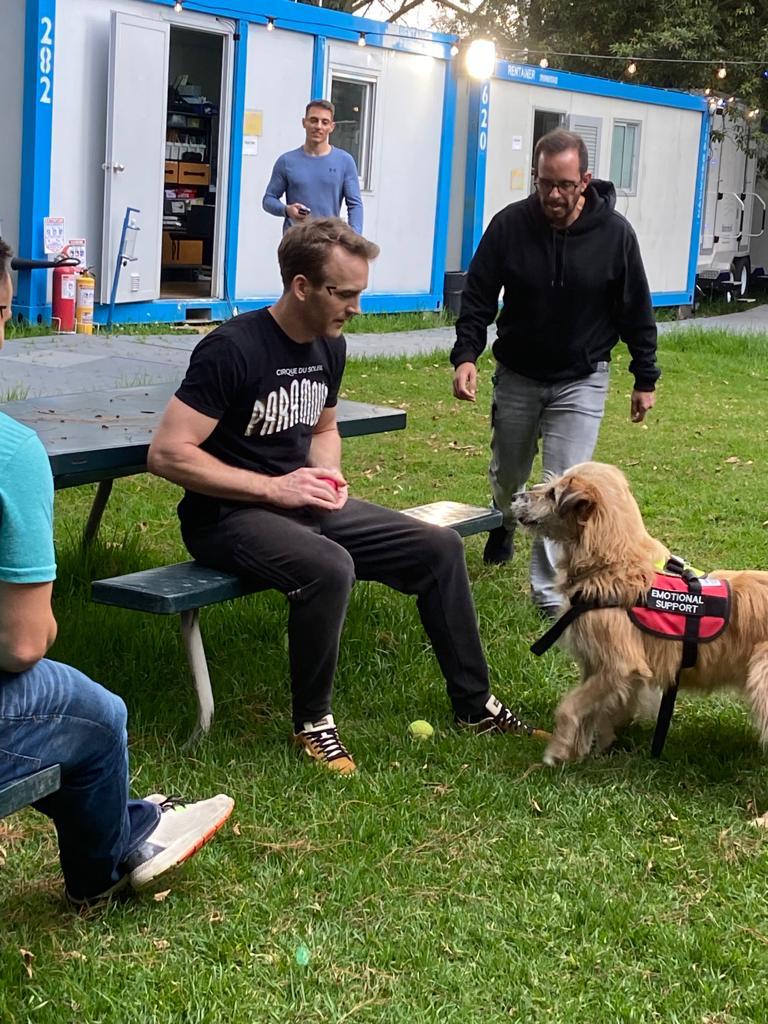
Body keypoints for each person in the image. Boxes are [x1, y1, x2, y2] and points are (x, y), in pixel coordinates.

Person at [147, 217, 532, 776]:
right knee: (330, 566)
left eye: (359, 293)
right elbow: (168, 454)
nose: (355, 307)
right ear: (302, 286)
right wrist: (273, 487)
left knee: (439, 548)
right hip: (227, 517)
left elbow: (324, 429)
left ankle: (475, 706)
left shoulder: (330, 347)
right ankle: (313, 724)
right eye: (344, 293)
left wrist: (326, 474)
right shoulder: (231, 348)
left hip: (302, 504)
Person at [0, 239, 234, 908]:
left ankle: (133, 819)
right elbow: (20, 644)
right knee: (93, 715)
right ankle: (107, 865)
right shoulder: (12, 452)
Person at [450, 128, 660, 618]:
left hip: (582, 377)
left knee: (561, 486)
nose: (553, 195)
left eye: (565, 184)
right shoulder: (510, 226)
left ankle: (548, 595)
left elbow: (636, 310)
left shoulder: (614, 236)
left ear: (584, 180)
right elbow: (478, 296)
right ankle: (505, 520)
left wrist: (644, 377)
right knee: (510, 478)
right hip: (519, 372)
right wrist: (466, 355)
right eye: (545, 183)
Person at [262, 99, 363, 234]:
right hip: (295, 243)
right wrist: (287, 210)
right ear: (304, 123)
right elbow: (268, 200)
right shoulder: (286, 161)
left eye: (324, 122)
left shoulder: (345, 161)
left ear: (332, 127)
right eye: (313, 120)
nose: (318, 126)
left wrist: (355, 237)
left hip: (328, 243)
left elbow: (355, 205)